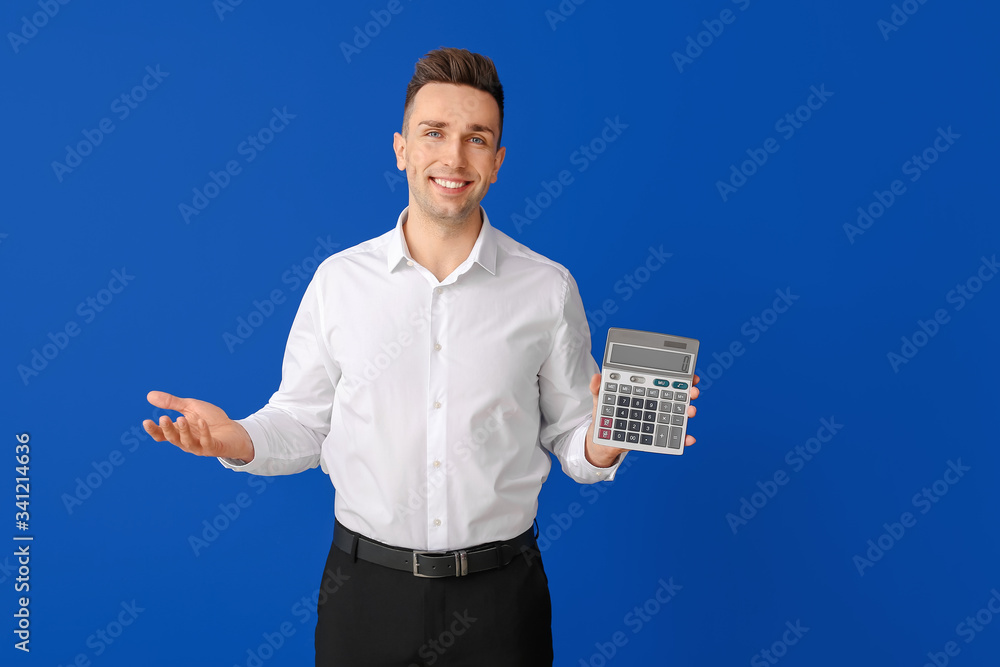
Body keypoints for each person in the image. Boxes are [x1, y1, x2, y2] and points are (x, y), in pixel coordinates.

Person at [142, 46, 699, 666]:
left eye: (476, 138)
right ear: (402, 148)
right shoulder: (338, 282)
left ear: (498, 161)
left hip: (501, 599)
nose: (453, 157)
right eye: (433, 133)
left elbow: (572, 434)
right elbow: (302, 424)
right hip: (364, 595)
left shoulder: (547, 288)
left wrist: (604, 438)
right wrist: (236, 438)